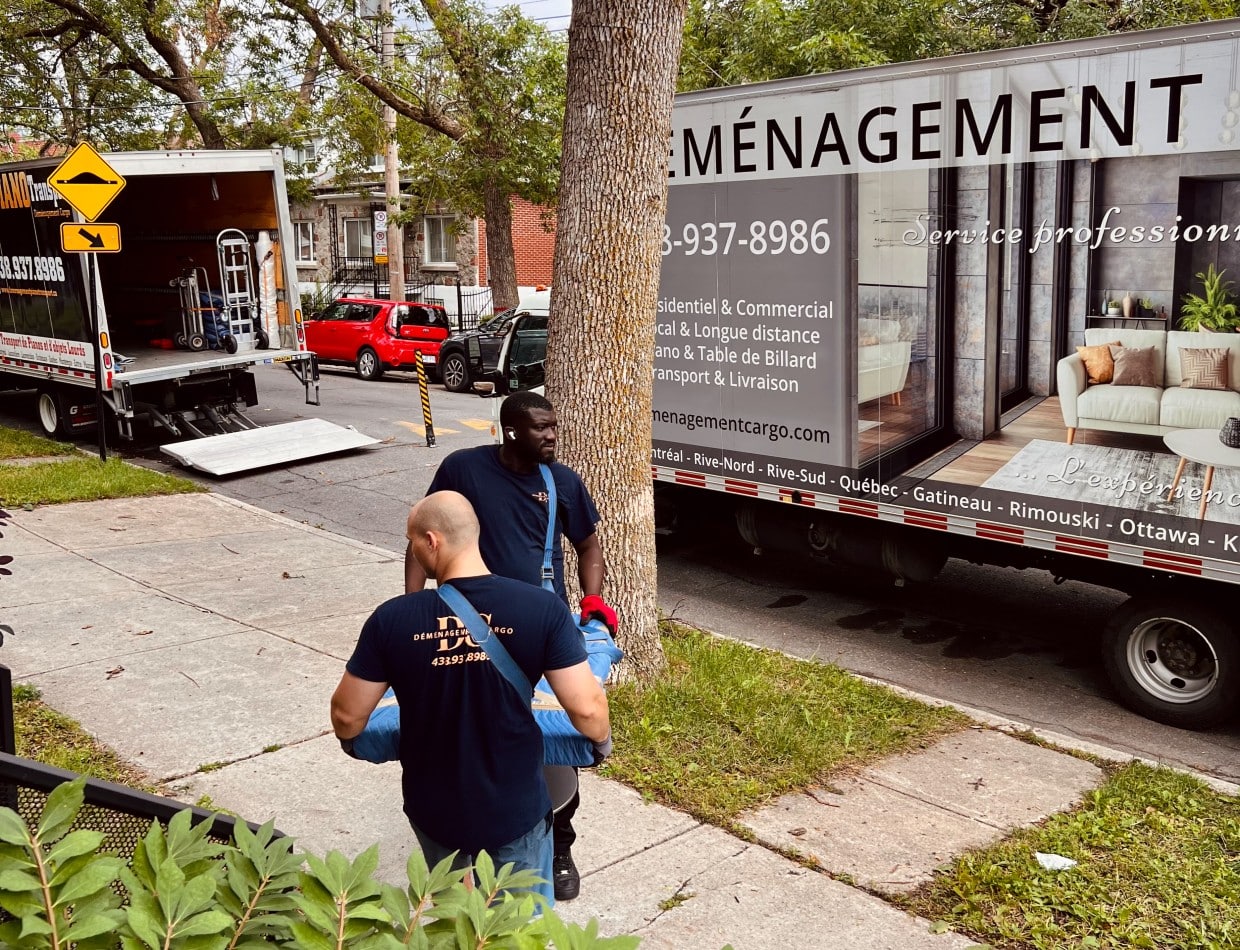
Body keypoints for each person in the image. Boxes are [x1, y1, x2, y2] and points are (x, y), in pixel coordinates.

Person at [332, 491, 611, 908]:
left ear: (432, 541)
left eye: (412, 542)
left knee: (456, 922)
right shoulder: (541, 608)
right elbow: (587, 708)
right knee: (519, 929)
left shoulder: (391, 620)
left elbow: (347, 716)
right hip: (515, 807)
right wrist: (600, 744)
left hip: (434, 808)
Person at [404, 389, 618, 902]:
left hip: (542, 632)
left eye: (554, 427)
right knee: (472, 735)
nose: (551, 437)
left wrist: (593, 604)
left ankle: (559, 844)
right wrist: (410, 605)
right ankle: (468, 847)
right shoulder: (463, 470)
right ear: (510, 430)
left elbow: (588, 544)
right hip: (466, 628)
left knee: (551, 743)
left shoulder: (561, 482)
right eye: (540, 428)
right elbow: (421, 536)